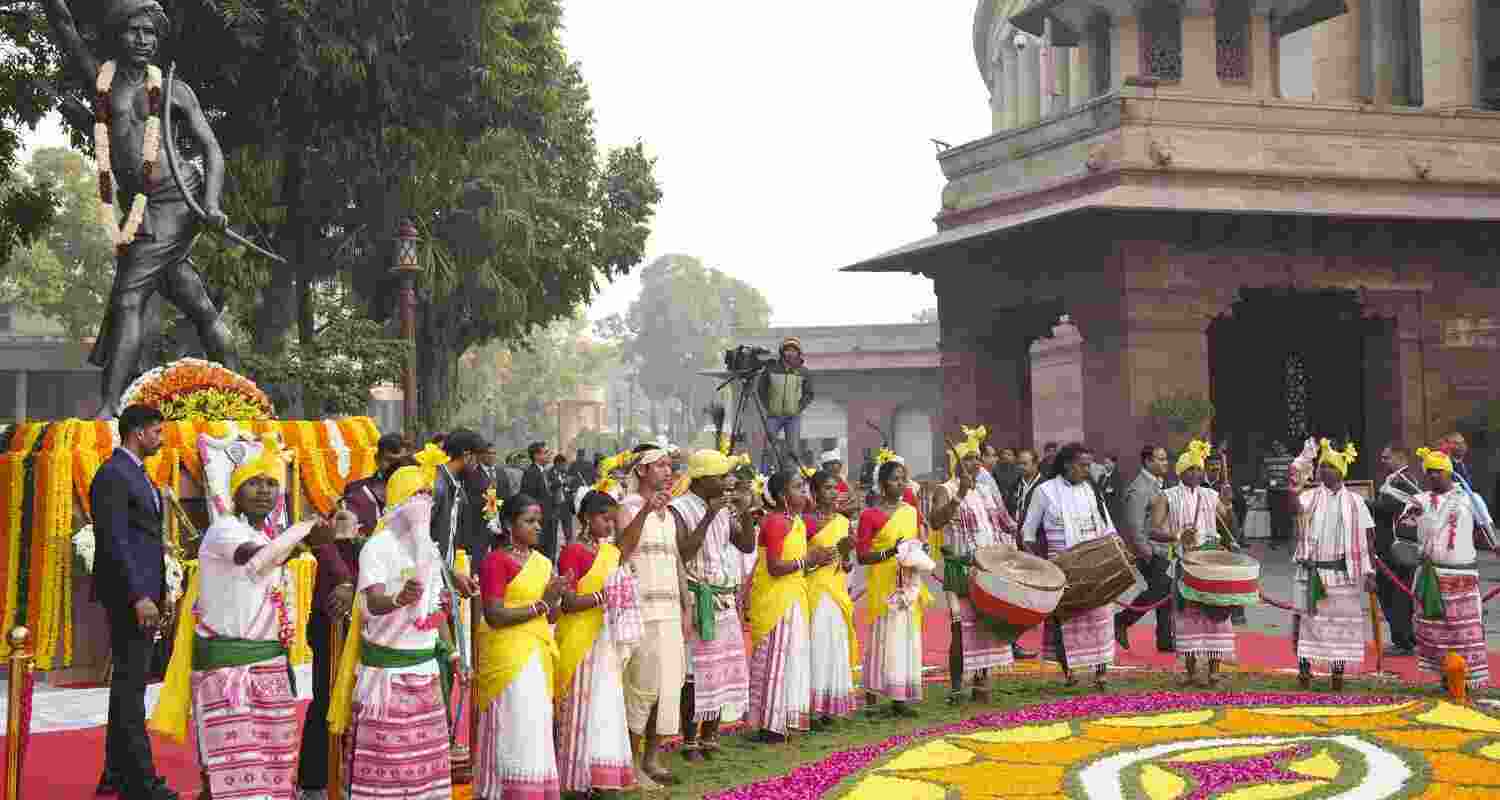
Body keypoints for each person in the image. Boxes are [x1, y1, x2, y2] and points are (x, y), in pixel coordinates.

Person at [43, 0, 238, 419]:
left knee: (129, 298)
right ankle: (240, 389)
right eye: (134, 31)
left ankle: (111, 405)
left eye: (150, 32)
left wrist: (211, 202)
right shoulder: (102, 80)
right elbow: (63, 24)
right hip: (141, 207)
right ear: (118, 35)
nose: (142, 39)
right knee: (195, 301)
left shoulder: (173, 89)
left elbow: (211, 149)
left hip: (179, 198)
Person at [178, 441, 328, 800]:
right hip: (229, 670)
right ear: (236, 490)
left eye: (271, 483)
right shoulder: (224, 530)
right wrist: (304, 534)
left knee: (273, 767)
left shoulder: (266, 535)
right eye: (254, 483)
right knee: (229, 771)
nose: (264, 491)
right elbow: (256, 558)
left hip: (270, 664)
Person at [327, 462, 459, 800]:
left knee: (425, 772)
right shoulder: (378, 547)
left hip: (426, 672)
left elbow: (433, 613)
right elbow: (372, 603)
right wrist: (399, 598)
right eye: (416, 494)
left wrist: (452, 651)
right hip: (387, 676)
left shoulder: (428, 549)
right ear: (398, 499)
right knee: (386, 772)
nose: (424, 503)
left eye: (428, 496)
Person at [90, 404, 176, 800]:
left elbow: (145, 540)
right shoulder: (114, 474)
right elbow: (115, 542)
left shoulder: (134, 473)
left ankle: (115, 772)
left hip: (142, 591)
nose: (161, 439)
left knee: (128, 684)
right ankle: (141, 782)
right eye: (157, 431)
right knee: (131, 688)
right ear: (138, 432)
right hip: (130, 596)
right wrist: (140, 596)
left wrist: (160, 592)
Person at [473, 494, 566, 799]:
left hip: (538, 653)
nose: (537, 527)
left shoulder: (543, 563)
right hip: (507, 657)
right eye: (529, 521)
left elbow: (550, 615)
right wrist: (542, 604)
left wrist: (555, 599)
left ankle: (534, 788)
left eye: (539, 521)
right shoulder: (496, 561)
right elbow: (495, 615)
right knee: (514, 722)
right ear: (509, 524)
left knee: (536, 721)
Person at [555, 491, 648, 796]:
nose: (610, 525)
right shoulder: (573, 552)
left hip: (605, 637)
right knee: (580, 707)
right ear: (585, 517)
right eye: (604, 519)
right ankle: (576, 778)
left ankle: (600, 774)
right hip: (580, 638)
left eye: (612, 520)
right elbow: (568, 602)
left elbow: (628, 546)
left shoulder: (608, 552)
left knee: (603, 705)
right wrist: (604, 596)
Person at [670, 450, 755, 760]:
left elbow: (746, 544)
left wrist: (745, 512)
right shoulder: (679, 509)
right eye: (721, 477)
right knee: (696, 674)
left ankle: (710, 737)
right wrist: (708, 515)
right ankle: (690, 741)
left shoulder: (723, 508)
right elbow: (683, 553)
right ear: (702, 480)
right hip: (697, 599)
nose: (727, 482)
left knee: (720, 671)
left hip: (723, 597)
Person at [928, 427, 1018, 703]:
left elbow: (1005, 523)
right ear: (956, 462)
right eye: (968, 458)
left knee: (986, 625)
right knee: (959, 626)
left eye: (977, 458)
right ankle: (957, 688)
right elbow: (935, 522)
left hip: (988, 568)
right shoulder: (945, 489)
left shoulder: (987, 491)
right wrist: (959, 495)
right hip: (959, 568)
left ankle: (982, 682)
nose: (975, 463)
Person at [1021, 443, 1119, 689]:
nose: (1087, 471)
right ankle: (1069, 673)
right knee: (1064, 622)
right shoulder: (1044, 491)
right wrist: (1041, 567)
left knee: (1100, 617)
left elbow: (1108, 528)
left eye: (1089, 466)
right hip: (1060, 567)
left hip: (1095, 565)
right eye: (1082, 466)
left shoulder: (1092, 490)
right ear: (1067, 465)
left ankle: (1101, 673)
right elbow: (1027, 534)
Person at [615, 444, 684, 785]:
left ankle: (651, 759)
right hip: (642, 611)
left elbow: (676, 561)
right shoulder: (627, 507)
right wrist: (646, 509)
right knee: (641, 688)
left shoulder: (669, 513)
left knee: (668, 687)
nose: (668, 472)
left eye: (670, 466)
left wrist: (686, 606)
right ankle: (630, 763)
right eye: (660, 465)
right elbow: (622, 551)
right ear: (642, 471)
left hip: (670, 611)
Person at [1285, 438, 1376, 692]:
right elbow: (1294, 509)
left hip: (1343, 574)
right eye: (1322, 466)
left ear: (1341, 472)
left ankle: (1337, 674)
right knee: (1306, 623)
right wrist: (1292, 490)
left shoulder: (1356, 501)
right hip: (1311, 572)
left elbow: (1369, 537)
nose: (1324, 470)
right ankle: (1304, 672)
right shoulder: (1310, 496)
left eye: (1330, 467)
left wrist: (1370, 572)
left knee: (1341, 626)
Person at [749, 471, 833, 741]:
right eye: (798, 487)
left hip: (794, 597)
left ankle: (784, 719)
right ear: (783, 496)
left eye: (804, 487)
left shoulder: (795, 521)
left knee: (792, 658)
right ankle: (770, 726)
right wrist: (807, 561)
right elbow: (775, 567)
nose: (804, 492)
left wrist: (818, 560)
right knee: (777, 660)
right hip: (776, 601)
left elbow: (798, 564)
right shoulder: (775, 522)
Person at [856, 455, 934, 717]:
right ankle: (871, 698)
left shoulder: (910, 511)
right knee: (882, 638)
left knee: (905, 637)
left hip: (908, 582)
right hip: (883, 584)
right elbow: (862, 556)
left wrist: (919, 552)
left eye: (903, 479)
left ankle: (900, 698)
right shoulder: (870, 515)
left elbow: (918, 540)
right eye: (894, 479)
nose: (900, 484)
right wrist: (890, 552)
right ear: (882, 484)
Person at [1407, 447, 1490, 690]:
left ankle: (1465, 678)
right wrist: (1416, 517)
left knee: (1464, 631)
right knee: (1435, 631)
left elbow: (1485, 534)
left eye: (1438, 471)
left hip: (1463, 575)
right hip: (1431, 576)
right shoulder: (1418, 500)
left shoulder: (1471, 499)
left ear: (1449, 473)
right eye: (1429, 471)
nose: (1433, 475)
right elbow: (1403, 529)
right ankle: (1445, 676)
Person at [1164, 441, 1236, 687]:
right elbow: (1153, 530)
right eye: (1190, 469)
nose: (1196, 473)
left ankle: (1214, 670)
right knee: (1189, 618)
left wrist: (1227, 504)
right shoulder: (1167, 496)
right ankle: (1191, 670)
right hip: (1186, 563)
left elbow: (1227, 523)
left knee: (1216, 616)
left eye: (1198, 469)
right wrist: (1177, 536)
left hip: (1211, 563)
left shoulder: (1211, 495)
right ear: (1180, 472)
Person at [804, 470, 859, 726]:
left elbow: (847, 566)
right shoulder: (806, 522)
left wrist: (845, 554)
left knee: (834, 645)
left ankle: (829, 707)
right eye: (827, 488)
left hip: (836, 592)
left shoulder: (843, 522)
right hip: (812, 590)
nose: (833, 492)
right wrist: (833, 552)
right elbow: (801, 562)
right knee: (815, 646)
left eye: (835, 488)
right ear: (814, 493)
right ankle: (810, 707)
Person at [1115, 444, 1174, 653]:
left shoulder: (1160, 484)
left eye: (1166, 458)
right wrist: (1147, 553)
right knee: (1162, 589)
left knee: (1165, 592)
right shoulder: (1139, 488)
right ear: (1147, 462)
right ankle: (1122, 620)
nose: (1165, 463)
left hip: (1164, 549)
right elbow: (1134, 526)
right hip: (1149, 551)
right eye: (1160, 459)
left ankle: (1165, 639)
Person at [1371, 444, 1419, 655]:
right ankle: (1403, 638)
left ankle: (1404, 641)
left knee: (1397, 595)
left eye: (1387, 457)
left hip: (1397, 548)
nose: (1383, 461)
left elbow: (1388, 508)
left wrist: (1361, 502)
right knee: (1389, 593)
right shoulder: (1394, 479)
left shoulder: (1404, 480)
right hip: (1388, 547)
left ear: (1400, 457)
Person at [756, 337, 814, 471]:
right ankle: (764, 474)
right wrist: (768, 406)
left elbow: (809, 394)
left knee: (793, 449)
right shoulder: (771, 369)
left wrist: (798, 408)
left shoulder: (803, 371)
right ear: (782, 352)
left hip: (793, 417)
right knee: (768, 447)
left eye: (794, 350)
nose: (790, 353)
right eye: (787, 350)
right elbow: (761, 389)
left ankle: (791, 475)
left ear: (798, 353)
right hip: (774, 416)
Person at [521, 441, 562, 560]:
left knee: (550, 552)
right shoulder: (530, 473)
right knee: (540, 552)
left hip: (549, 518)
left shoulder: (545, 472)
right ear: (536, 455)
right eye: (546, 452)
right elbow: (528, 498)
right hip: (539, 521)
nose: (549, 455)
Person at [1008, 448, 1044, 538]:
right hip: (1016, 534)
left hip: (1037, 536)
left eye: (1024, 464)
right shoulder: (1015, 484)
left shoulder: (1045, 486)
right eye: (1019, 464)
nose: (1021, 467)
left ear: (1035, 464)